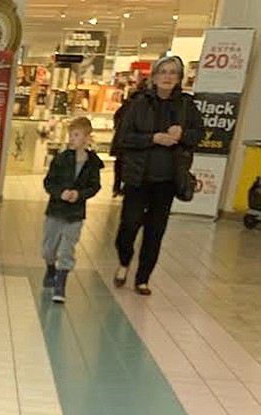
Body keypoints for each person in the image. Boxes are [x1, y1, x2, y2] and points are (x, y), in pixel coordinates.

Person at [110, 55, 202, 295]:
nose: (168, 76)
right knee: (129, 225)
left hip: (168, 179)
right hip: (138, 177)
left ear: (179, 78)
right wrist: (152, 138)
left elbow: (198, 136)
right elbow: (123, 139)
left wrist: (181, 135)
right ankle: (124, 260)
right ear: (154, 76)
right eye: (163, 72)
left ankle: (143, 278)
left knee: (155, 230)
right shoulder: (138, 103)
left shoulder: (186, 105)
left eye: (173, 72)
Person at [42, 115, 103, 303]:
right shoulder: (60, 159)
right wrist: (60, 193)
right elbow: (49, 182)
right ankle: (50, 269)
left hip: (75, 214)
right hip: (55, 210)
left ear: (86, 137)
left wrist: (80, 194)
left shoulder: (92, 164)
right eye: (70, 135)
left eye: (76, 135)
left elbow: (95, 186)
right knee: (48, 249)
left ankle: (60, 284)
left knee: (67, 249)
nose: (72, 139)